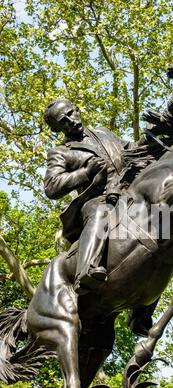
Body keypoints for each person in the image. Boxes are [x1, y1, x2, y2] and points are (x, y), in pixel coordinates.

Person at [44, 98, 123, 294]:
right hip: (97, 199)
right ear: (57, 129)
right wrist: (86, 172)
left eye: (71, 113)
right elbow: (51, 187)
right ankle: (86, 270)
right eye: (63, 120)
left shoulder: (104, 132)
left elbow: (130, 149)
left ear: (77, 110)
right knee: (100, 213)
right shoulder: (60, 152)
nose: (70, 120)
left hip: (126, 190)